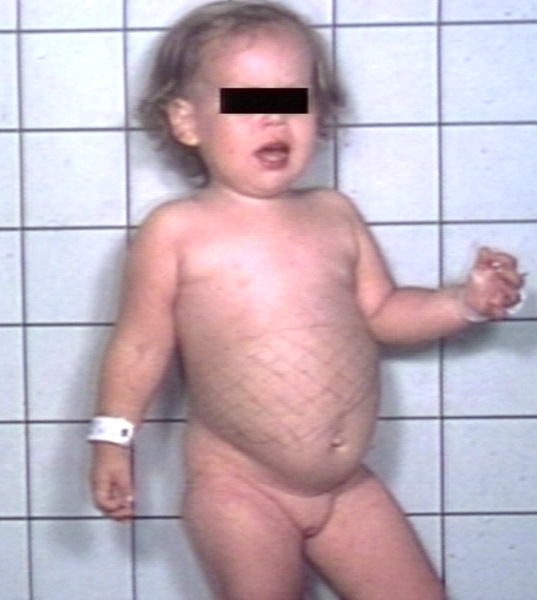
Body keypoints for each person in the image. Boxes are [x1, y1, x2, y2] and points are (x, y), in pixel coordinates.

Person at [88, 2, 524, 599]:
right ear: (187, 122)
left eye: (294, 99)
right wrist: (112, 438)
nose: (273, 116)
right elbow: (140, 347)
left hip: (345, 488)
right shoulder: (177, 231)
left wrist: (464, 303)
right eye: (245, 101)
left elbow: (383, 312)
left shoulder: (334, 215)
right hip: (239, 487)